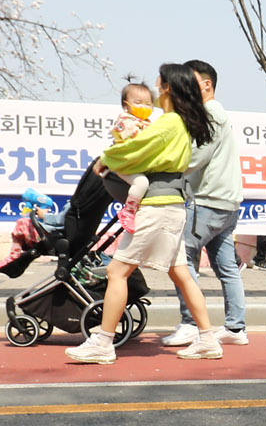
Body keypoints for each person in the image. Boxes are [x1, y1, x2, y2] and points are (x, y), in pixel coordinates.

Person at [68, 68, 221, 364]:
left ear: (168, 89)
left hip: (157, 206)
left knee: (117, 272)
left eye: (159, 83)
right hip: (171, 206)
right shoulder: (179, 123)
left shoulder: (168, 123)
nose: (154, 87)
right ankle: (207, 339)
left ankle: (103, 341)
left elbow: (137, 149)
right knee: (181, 274)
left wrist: (106, 158)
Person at [160, 59, 248, 349]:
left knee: (182, 262)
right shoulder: (216, 112)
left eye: (190, 79)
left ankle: (189, 324)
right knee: (227, 268)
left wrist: (163, 166)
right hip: (226, 203)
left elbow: (196, 158)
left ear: (206, 85)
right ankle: (235, 327)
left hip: (206, 201)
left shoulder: (210, 112)